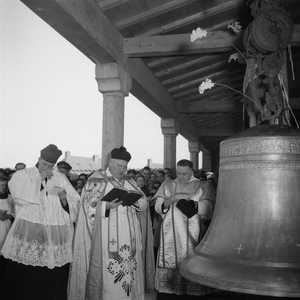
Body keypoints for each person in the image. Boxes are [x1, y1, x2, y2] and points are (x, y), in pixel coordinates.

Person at [0, 144, 80, 300]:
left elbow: (74, 200)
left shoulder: (60, 177)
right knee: (27, 279)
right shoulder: (23, 175)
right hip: (30, 235)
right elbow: (18, 197)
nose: (47, 168)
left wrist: (64, 197)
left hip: (54, 237)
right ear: (39, 159)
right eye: (45, 164)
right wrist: (39, 180)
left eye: (51, 166)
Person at [68, 146, 148, 300]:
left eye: (125, 167)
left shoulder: (130, 182)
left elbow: (143, 202)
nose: (123, 170)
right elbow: (87, 206)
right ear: (110, 163)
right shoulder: (97, 179)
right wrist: (106, 206)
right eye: (120, 166)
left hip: (130, 236)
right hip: (107, 235)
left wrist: (135, 202)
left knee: (130, 274)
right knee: (110, 275)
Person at [154, 159, 215, 299]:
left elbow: (209, 208)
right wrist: (164, 204)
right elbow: (158, 205)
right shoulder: (168, 184)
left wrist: (196, 206)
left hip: (191, 233)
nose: (180, 176)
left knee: (190, 262)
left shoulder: (202, 186)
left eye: (184, 173)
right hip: (170, 233)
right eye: (179, 173)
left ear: (191, 172)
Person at [0, 175, 15, 288]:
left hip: (7, 231)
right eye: (2, 185)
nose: (4, 187)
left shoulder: (12, 198)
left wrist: (9, 216)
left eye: (6, 185)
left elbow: (17, 213)